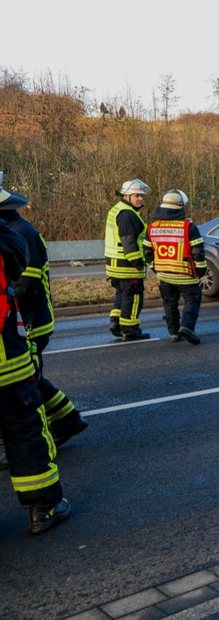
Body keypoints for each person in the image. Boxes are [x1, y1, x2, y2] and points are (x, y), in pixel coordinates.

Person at [0, 175, 88, 459]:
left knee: (26, 383)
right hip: (26, 321)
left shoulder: (19, 232)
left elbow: (24, 287)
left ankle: (45, 434)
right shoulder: (13, 228)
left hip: (31, 323)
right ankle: (68, 419)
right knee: (30, 380)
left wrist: (22, 326)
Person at [0, 217, 71, 534]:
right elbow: (15, 258)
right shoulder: (10, 239)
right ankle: (44, 509)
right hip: (7, 364)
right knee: (25, 433)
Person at [142, 190, 206, 345]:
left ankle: (173, 333)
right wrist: (200, 271)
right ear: (180, 207)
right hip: (186, 275)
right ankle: (187, 327)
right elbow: (198, 253)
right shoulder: (189, 227)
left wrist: (156, 268)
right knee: (192, 300)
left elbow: (147, 253)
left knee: (169, 304)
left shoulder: (152, 228)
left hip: (164, 275)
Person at [105, 179, 151, 340]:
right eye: (136, 195)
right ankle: (130, 330)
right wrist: (139, 263)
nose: (140, 199)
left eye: (141, 196)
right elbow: (129, 243)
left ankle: (116, 324)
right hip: (128, 266)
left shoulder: (117, 210)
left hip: (115, 266)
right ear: (126, 196)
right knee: (133, 298)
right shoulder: (128, 215)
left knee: (122, 294)